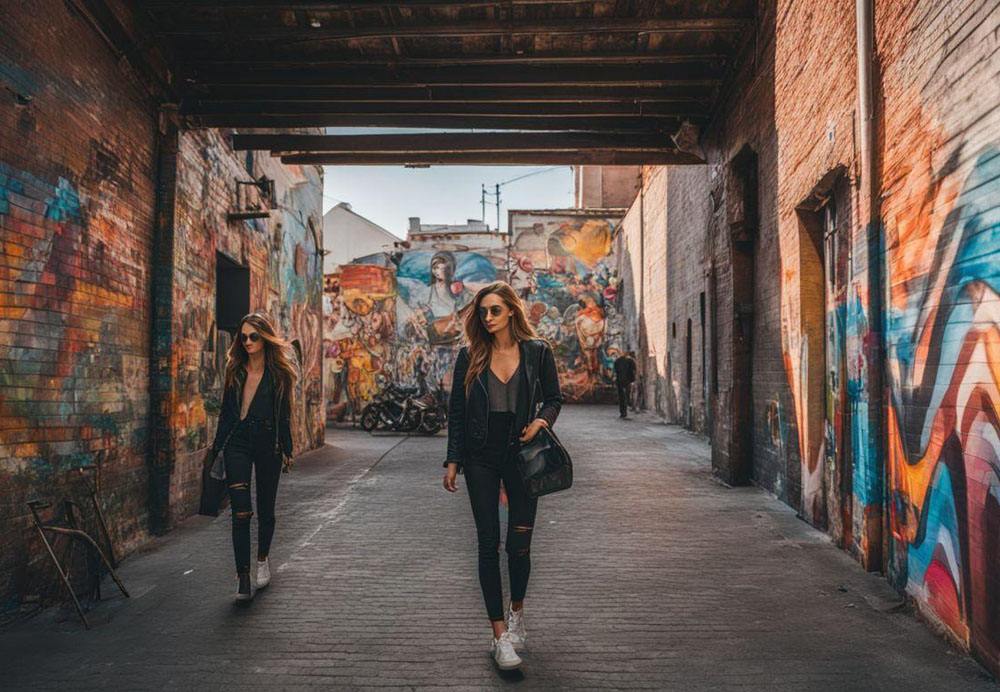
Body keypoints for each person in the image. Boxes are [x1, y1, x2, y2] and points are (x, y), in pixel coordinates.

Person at [442, 281, 563, 671]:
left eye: (495, 310)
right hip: (481, 455)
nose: (488, 318)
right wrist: (453, 460)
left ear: (512, 310)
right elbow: (457, 412)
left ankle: (517, 611)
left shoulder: (537, 351)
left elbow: (554, 397)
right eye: (483, 312)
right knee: (488, 543)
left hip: (523, 453)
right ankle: (499, 636)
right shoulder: (470, 355)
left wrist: (542, 421)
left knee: (520, 545)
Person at [211, 312, 297, 602]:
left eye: (253, 337)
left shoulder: (279, 375)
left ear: (265, 338)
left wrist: (287, 449)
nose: (247, 342)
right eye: (243, 337)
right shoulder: (235, 370)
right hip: (237, 441)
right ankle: (243, 576)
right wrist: (216, 449)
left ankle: (262, 560)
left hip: (268, 442)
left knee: (265, 508)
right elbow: (225, 413)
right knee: (241, 510)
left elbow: (284, 415)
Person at [613, 350, 637, 418]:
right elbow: (634, 369)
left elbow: (615, 370)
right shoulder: (630, 361)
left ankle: (622, 411)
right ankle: (628, 405)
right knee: (627, 394)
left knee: (621, 396)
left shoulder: (617, 361)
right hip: (628, 380)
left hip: (619, 380)